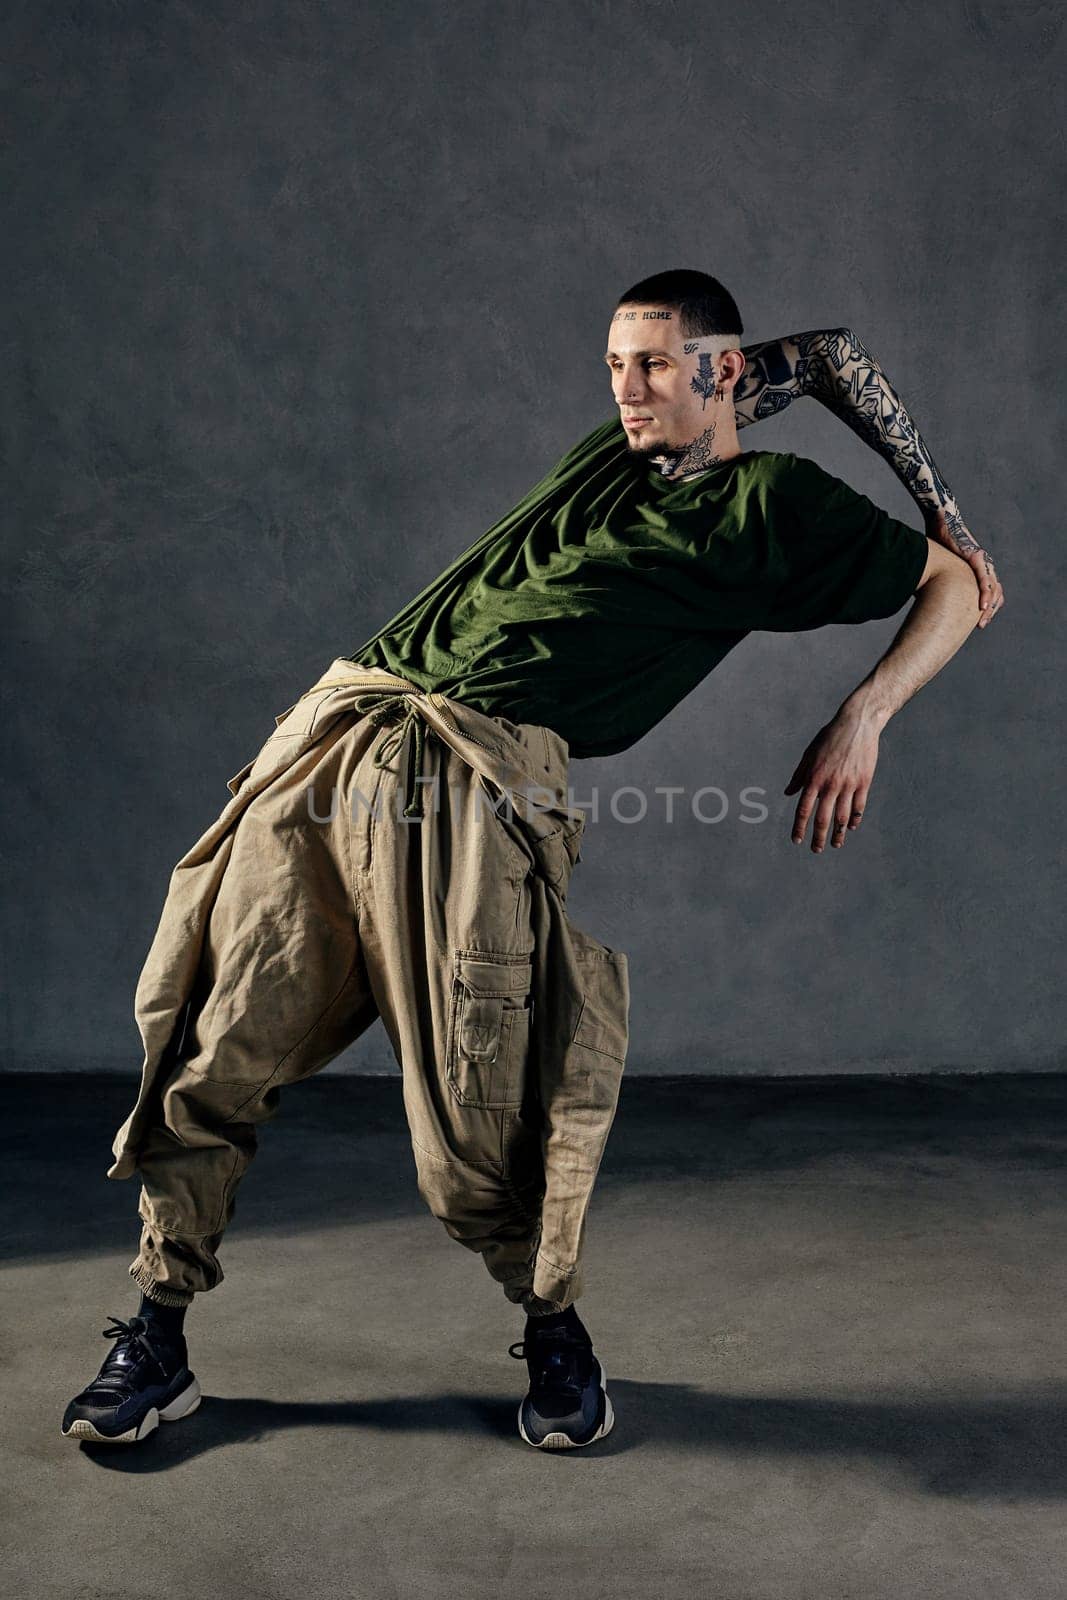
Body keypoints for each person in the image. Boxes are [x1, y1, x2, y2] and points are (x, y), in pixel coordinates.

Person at [62, 268, 1002, 1452]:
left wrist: (866, 704)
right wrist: (708, 379)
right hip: (343, 737)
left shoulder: (766, 508)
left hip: (474, 788)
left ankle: (554, 1330)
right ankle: (156, 1331)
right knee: (210, 1047)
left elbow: (957, 585)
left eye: (655, 363)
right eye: (613, 362)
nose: (626, 388)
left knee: (478, 1117)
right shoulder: (614, 454)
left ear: (721, 371)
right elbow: (818, 357)